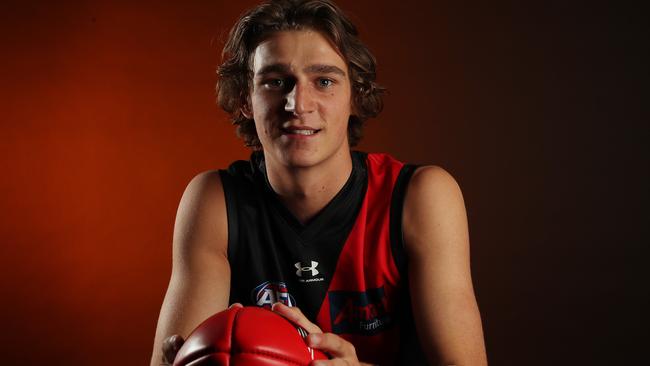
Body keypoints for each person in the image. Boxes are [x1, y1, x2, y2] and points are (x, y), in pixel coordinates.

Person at [150, 0, 487, 364]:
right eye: (275, 82)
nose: (297, 103)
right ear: (246, 98)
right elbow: (174, 359)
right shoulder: (215, 200)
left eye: (324, 81)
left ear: (355, 96)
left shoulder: (419, 196)